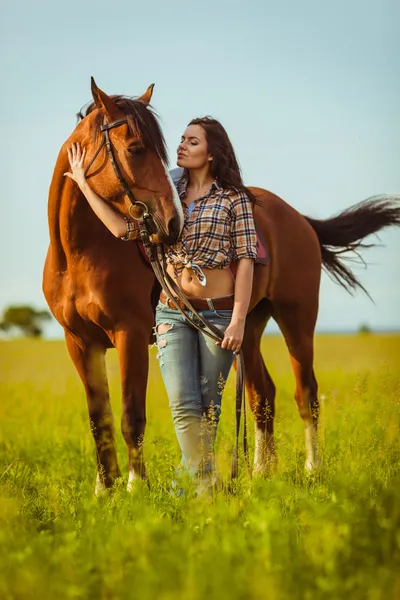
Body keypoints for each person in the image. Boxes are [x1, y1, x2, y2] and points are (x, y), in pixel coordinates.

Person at [65, 117, 257, 492]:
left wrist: (238, 320)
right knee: (184, 408)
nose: (181, 146)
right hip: (172, 309)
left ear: (212, 154)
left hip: (217, 313)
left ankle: (192, 485)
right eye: (183, 139)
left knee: (208, 408)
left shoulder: (235, 200)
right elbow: (124, 229)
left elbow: (246, 260)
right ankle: (203, 485)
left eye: (193, 142)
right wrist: (85, 185)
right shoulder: (166, 191)